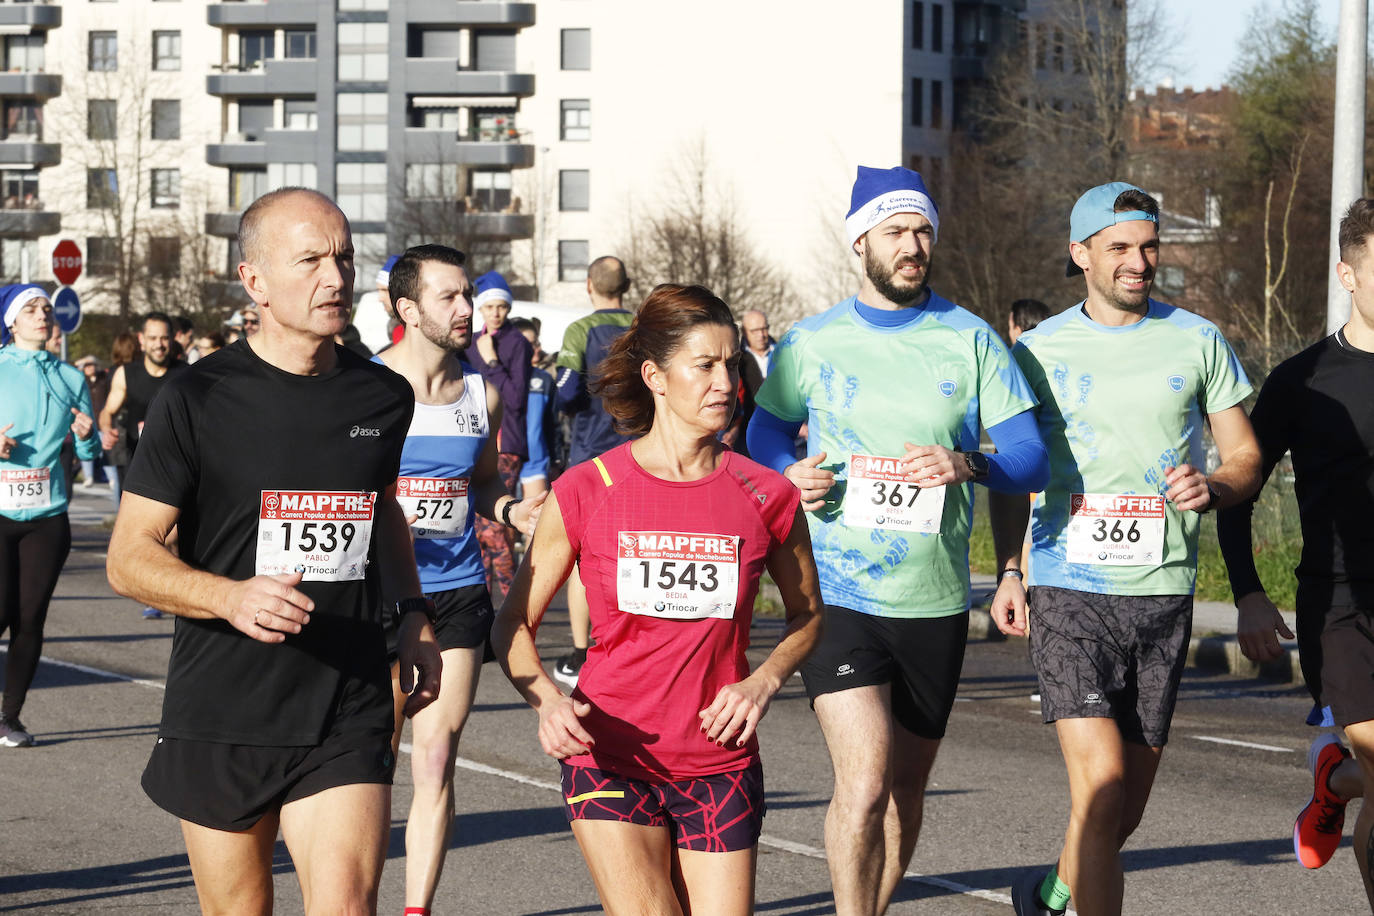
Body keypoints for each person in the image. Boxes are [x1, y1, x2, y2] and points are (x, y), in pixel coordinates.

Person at [104, 187, 443, 915]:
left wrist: (413, 612)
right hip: (225, 706)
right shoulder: (196, 399)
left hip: (345, 699)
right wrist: (230, 596)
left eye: (345, 258)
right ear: (253, 280)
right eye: (311, 260)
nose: (336, 277)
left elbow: (381, 511)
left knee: (347, 906)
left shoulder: (383, 396)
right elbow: (129, 557)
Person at [747, 165, 1049, 916]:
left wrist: (965, 462)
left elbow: (1030, 458)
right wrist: (788, 469)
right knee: (866, 777)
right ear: (861, 242)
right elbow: (761, 430)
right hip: (838, 591)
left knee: (905, 790)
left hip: (935, 598)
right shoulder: (811, 342)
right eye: (896, 232)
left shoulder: (969, 338)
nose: (913, 246)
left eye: (922, 232)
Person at [492, 283, 824, 915]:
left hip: (718, 761)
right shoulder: (589, 488)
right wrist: (544, 700)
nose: (725, 382)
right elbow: (513, 623)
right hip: (608, 753)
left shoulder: (766, 494)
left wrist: (765, 680)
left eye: (731, 364)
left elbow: (809, 616)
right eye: (705, 365)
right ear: (655, 376)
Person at [987, 182, 1261, 916]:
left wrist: (1216, 486)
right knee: (1101, 782)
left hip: (1162, 589)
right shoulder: (1036, 353)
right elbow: (1014, 471)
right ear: (1080, 255)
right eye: (1119, 249)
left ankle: (1046, 897)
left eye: (1148, 246)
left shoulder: (1198, 339)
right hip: (1068, 585)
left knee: (1120, 813)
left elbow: (1243, 457)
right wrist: (1010, 568)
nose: (1138, 262)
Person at [374, 244, 542, 915]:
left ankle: (417, 909)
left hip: (459, 592)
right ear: (407, 309)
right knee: (371, 764)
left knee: (435, 758)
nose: (467, 309)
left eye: (467, 294)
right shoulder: (366, 389)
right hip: (381, 594)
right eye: (449, 297)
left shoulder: (484, 394)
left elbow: (478, 487)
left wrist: (510, 508)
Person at [1217, 198, 1374, 909]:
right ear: (1348, 273)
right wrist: (1248, 590)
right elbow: (1238, 483)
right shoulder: (1302, 380)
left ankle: (1334, 780)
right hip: (1340, 605)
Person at [0, 285, 98, 747]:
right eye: (30, 309)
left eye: (45, 308)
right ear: (11, 321)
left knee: (30, 618)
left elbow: (88, 450)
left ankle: (10, 718)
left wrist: (84, 438)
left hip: (48, 513)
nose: (42, 314)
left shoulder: (71, 377)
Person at [551, 255, 635, 687]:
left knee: (586, 558)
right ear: (628, 285)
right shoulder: (643, 327)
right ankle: (630, 646)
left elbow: (565, 395)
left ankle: (581, 653)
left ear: (589, 285)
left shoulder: (580, 330)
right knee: (633, 552)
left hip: (591, 456)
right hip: (642, 455)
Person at [99, 311, 186, 619]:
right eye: (153, 338)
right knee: (153, 534)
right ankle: (160, 589)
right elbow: (108, 410)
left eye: (164, 338)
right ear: (141, 340)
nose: (159, 345)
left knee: (172, 533)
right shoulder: (127, 374)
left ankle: (172, 589)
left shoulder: (188, 374)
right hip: (141, 466)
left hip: (179, 466)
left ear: (172, 339)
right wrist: (106, 428)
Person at [461, 271, 531, 605]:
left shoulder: (517, 343)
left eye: (502, 306)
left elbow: (516, 399)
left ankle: (514, 605)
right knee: (479, 529)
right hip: (476, 439)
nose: (496, 313)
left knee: (495, 528)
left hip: (508, 443)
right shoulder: (469, 343)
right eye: (489, 307)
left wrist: (491, 360)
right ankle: (484, 608)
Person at [511, 316, 555, 503]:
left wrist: (556, 459)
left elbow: (552, 424)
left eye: (535, 342)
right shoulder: (495, 376)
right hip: (502, 463)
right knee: (500, 530)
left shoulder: (543, 379)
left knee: (534, 527)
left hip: (535, 463)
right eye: (527, 344)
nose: (535, 348)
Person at [101, 333, 139, 505]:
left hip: (115, 429)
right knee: (131, 481)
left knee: (121, 479)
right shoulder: (135, 372)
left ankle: (120, 515)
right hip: (126, 430)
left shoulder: (112, 371)